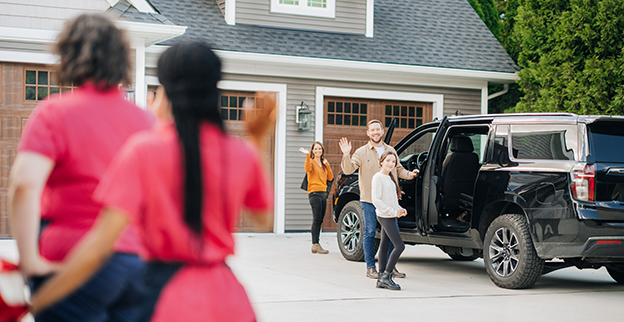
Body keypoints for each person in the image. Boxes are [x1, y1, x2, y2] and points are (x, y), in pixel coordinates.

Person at [27, 40, 275, 322]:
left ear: (165, 90)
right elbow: (263, 219)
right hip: (230, 303)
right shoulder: (239, 153)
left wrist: (37, 301)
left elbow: (99, 246)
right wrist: (257, 138)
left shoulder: (144, 151)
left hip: (166, 300)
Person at [8, 13, 155, 322]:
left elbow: (24, 185)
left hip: (70, 261)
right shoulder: (147, 122)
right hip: (136, 266)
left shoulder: (54, 113)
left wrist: (29, 259)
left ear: (68, 55)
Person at [339, 120, 418, 279]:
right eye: (372, 130)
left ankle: (390, 266)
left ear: (382, 132)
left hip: (390, 201)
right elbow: (348, 169)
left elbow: (399, 169)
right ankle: (370, 268)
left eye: (378, 130)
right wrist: (346, 154)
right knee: (369, 232)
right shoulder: (361, 152)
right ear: (368, 133)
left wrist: (411, 175)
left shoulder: (391, 150)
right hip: (369, 200)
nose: (375, 132)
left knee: (390, 234)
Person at [371, 151, 407, 290]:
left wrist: (399, 209)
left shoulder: (390, 178)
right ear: (381, 162)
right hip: (385, 216)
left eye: (393, 161)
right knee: (399, 246)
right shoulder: (378, 177)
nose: (391, 164)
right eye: (388, 161)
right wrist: (393, 212)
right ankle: (386, 276)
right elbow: (376, 200)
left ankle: (381, 277)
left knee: (385, 246)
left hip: (390, 215)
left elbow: (391, 200)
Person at [299, 142, 334, 254]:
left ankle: (316, 245)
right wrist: (307, 155)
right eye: (316, 149)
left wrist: (327, 164)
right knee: (316, 218)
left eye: (320, 149)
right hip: (314, 193)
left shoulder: (324, 164)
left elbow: (330, 177)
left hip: (323, 193)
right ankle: (315, 244)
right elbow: (307, 169)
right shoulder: (312, 161)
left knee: (320, 220)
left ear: (322, 150)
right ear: (313, 150)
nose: (318, 150)